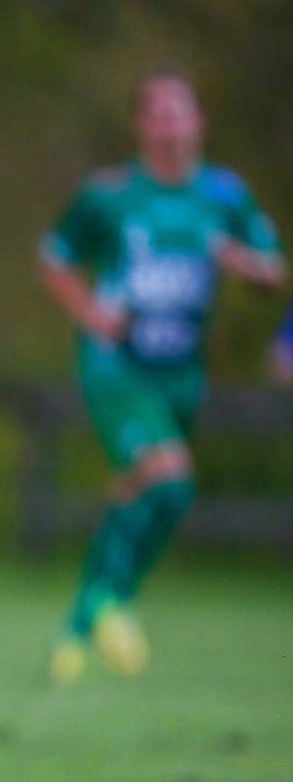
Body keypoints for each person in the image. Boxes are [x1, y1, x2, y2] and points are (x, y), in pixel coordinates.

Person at [39, 67, 284, 683]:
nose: (171, 124)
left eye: (182, 112)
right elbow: (55, 258)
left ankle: (78, 620)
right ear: (140, 125)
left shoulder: (224, 196)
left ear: (199, 122)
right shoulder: (109, 195)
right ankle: (109, 604)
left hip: (180, 373)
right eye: (159, 113)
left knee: (138, 489)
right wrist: (90, 314)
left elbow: (273, 270)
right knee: (170, 480)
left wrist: (241, 264)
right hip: (116, 368)